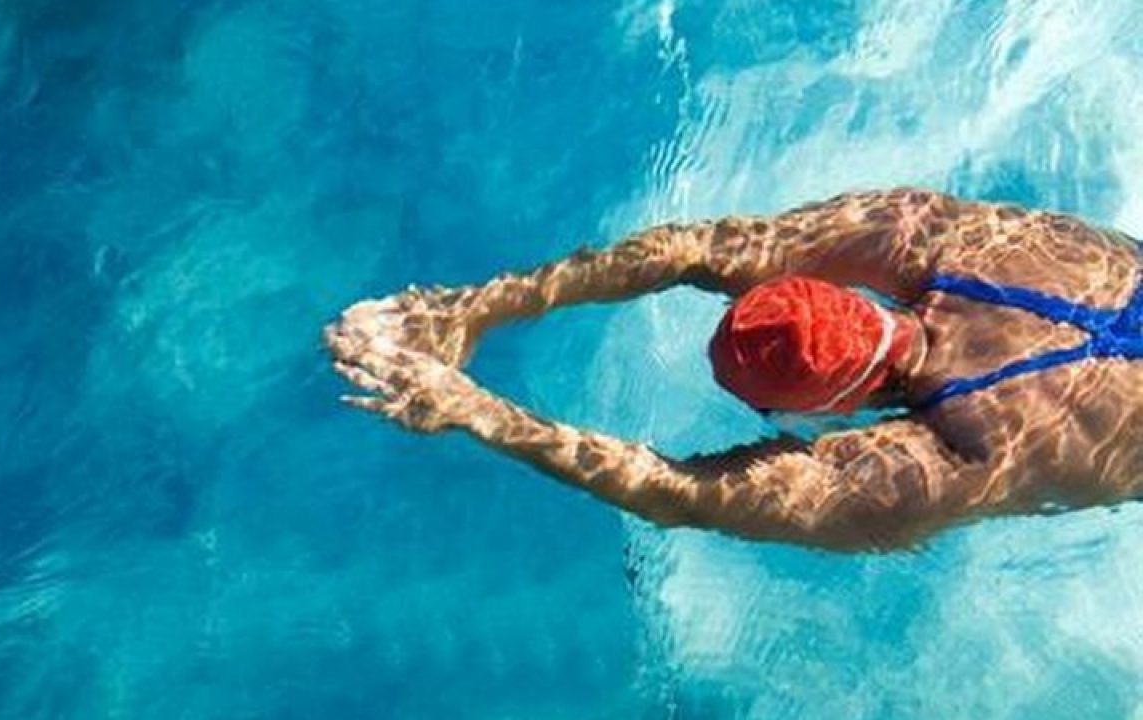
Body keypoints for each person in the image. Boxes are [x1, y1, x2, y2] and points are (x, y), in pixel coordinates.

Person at [324, 188, 1142, 551]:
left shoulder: (957, 460)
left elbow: (680, 493)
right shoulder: (945, 239)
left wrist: (471, 409)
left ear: (836, 405)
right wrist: (474, 307)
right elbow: (699, 250)